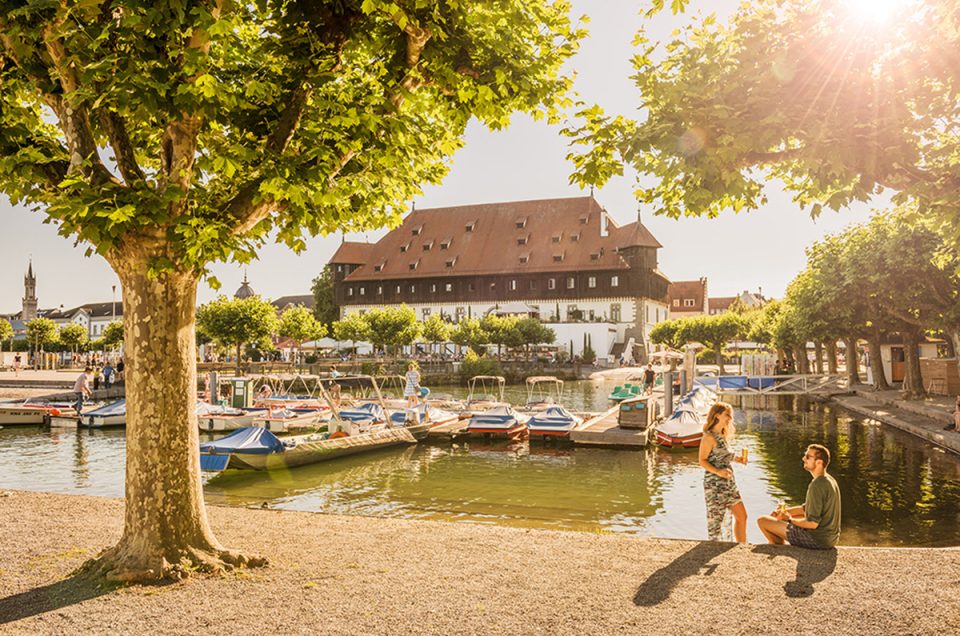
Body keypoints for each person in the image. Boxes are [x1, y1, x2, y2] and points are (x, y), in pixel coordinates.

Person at [757, 444, 841, 549]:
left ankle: (779, 548)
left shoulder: (817, 485)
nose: (803, 458)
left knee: (763, 520)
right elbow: (806, 508)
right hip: (831, 539)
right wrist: (784, 512)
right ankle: (780, 544)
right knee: (780, 519)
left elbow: (813, 523)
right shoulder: (829, 480)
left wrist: (789, 519)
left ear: (819, 462)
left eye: (808, 457)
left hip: (817, 540)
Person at [699, 402, 748, 543]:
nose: (730, 418)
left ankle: (742, 546)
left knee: (742, 516)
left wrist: (737, 459)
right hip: (714, 484)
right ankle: (713, 549)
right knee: (716, 522)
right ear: (717, 415)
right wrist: (718, 472)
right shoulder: (708, 437)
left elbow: (722, 456)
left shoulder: (722, 435)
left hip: (728, 483)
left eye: (730, 415)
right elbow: (702, 461)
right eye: (727, 415)